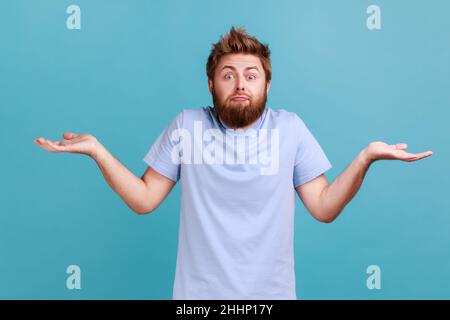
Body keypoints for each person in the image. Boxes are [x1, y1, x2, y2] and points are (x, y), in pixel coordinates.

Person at [34, 27, 433, 300]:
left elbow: (324, 208)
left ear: (266, 84)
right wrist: (98, 151)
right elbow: (144, 199)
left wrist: (365, 158)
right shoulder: (187, 125)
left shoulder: (290, 129)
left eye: (251, 75)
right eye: (228, 75)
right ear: (211, 83)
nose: (240, 84)